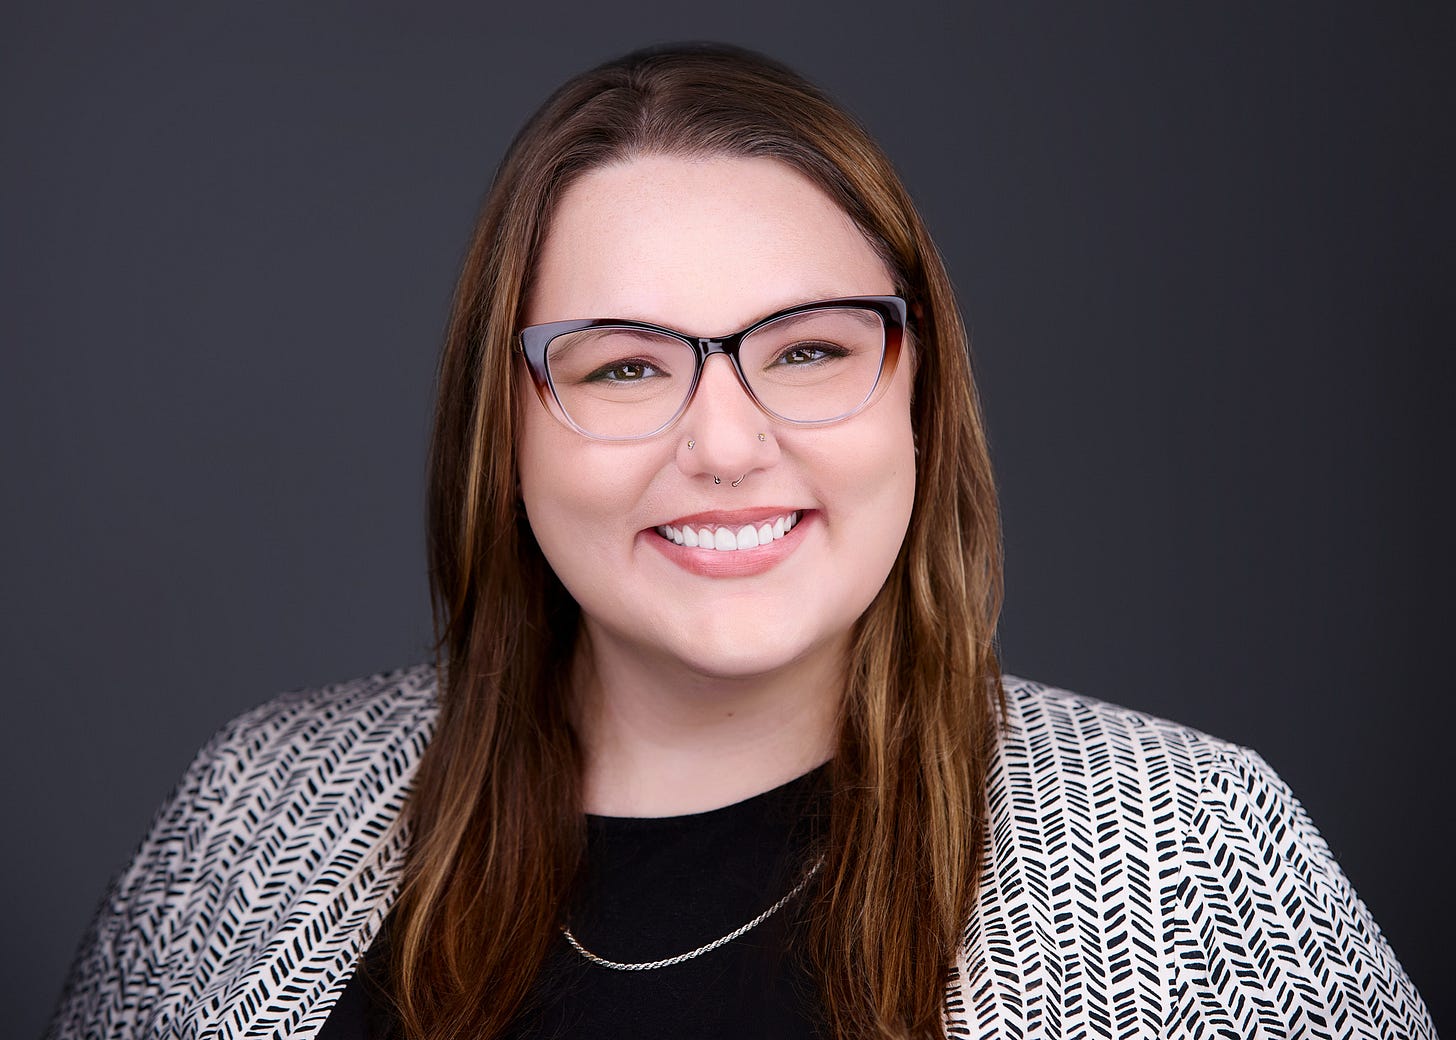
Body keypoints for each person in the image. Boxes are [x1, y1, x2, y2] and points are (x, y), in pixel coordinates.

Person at [46, 43, 1433, 1040]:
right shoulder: (250, 819)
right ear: (506, 426)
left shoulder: (1187, 851)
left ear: (918, 397)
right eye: (626, 369)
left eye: (811, 349)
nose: (723, 443)